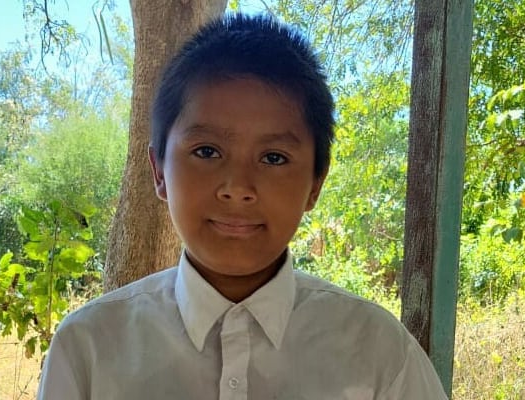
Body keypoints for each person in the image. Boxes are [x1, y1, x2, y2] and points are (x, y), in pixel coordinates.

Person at [37, 13, 448, 399]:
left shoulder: (379, 353)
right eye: (207, 151)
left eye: (274, 158)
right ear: (159, 171)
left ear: (315, 185)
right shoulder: (89, 348)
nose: (237, 188)